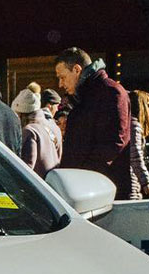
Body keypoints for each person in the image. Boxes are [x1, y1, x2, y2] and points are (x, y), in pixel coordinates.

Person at [54, 47, 133, 198]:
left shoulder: (110, 92)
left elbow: (114, 143)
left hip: (99, 191)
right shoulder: (87, 95)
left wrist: (80, 177)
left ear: (77, 70)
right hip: (88, 188)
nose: (60, 84)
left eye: (62, 77)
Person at [10, 83, 62, 177]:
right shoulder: (52, 126)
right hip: (52, 181)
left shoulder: (30, 131)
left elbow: (27, 168)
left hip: (38, 183)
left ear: (21, 114)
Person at [129, 89, 149, 199]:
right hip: (131, 178)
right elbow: (135, 156)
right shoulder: (134, 126)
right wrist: (146, 181)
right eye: (148, 106)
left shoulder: (125, 123)